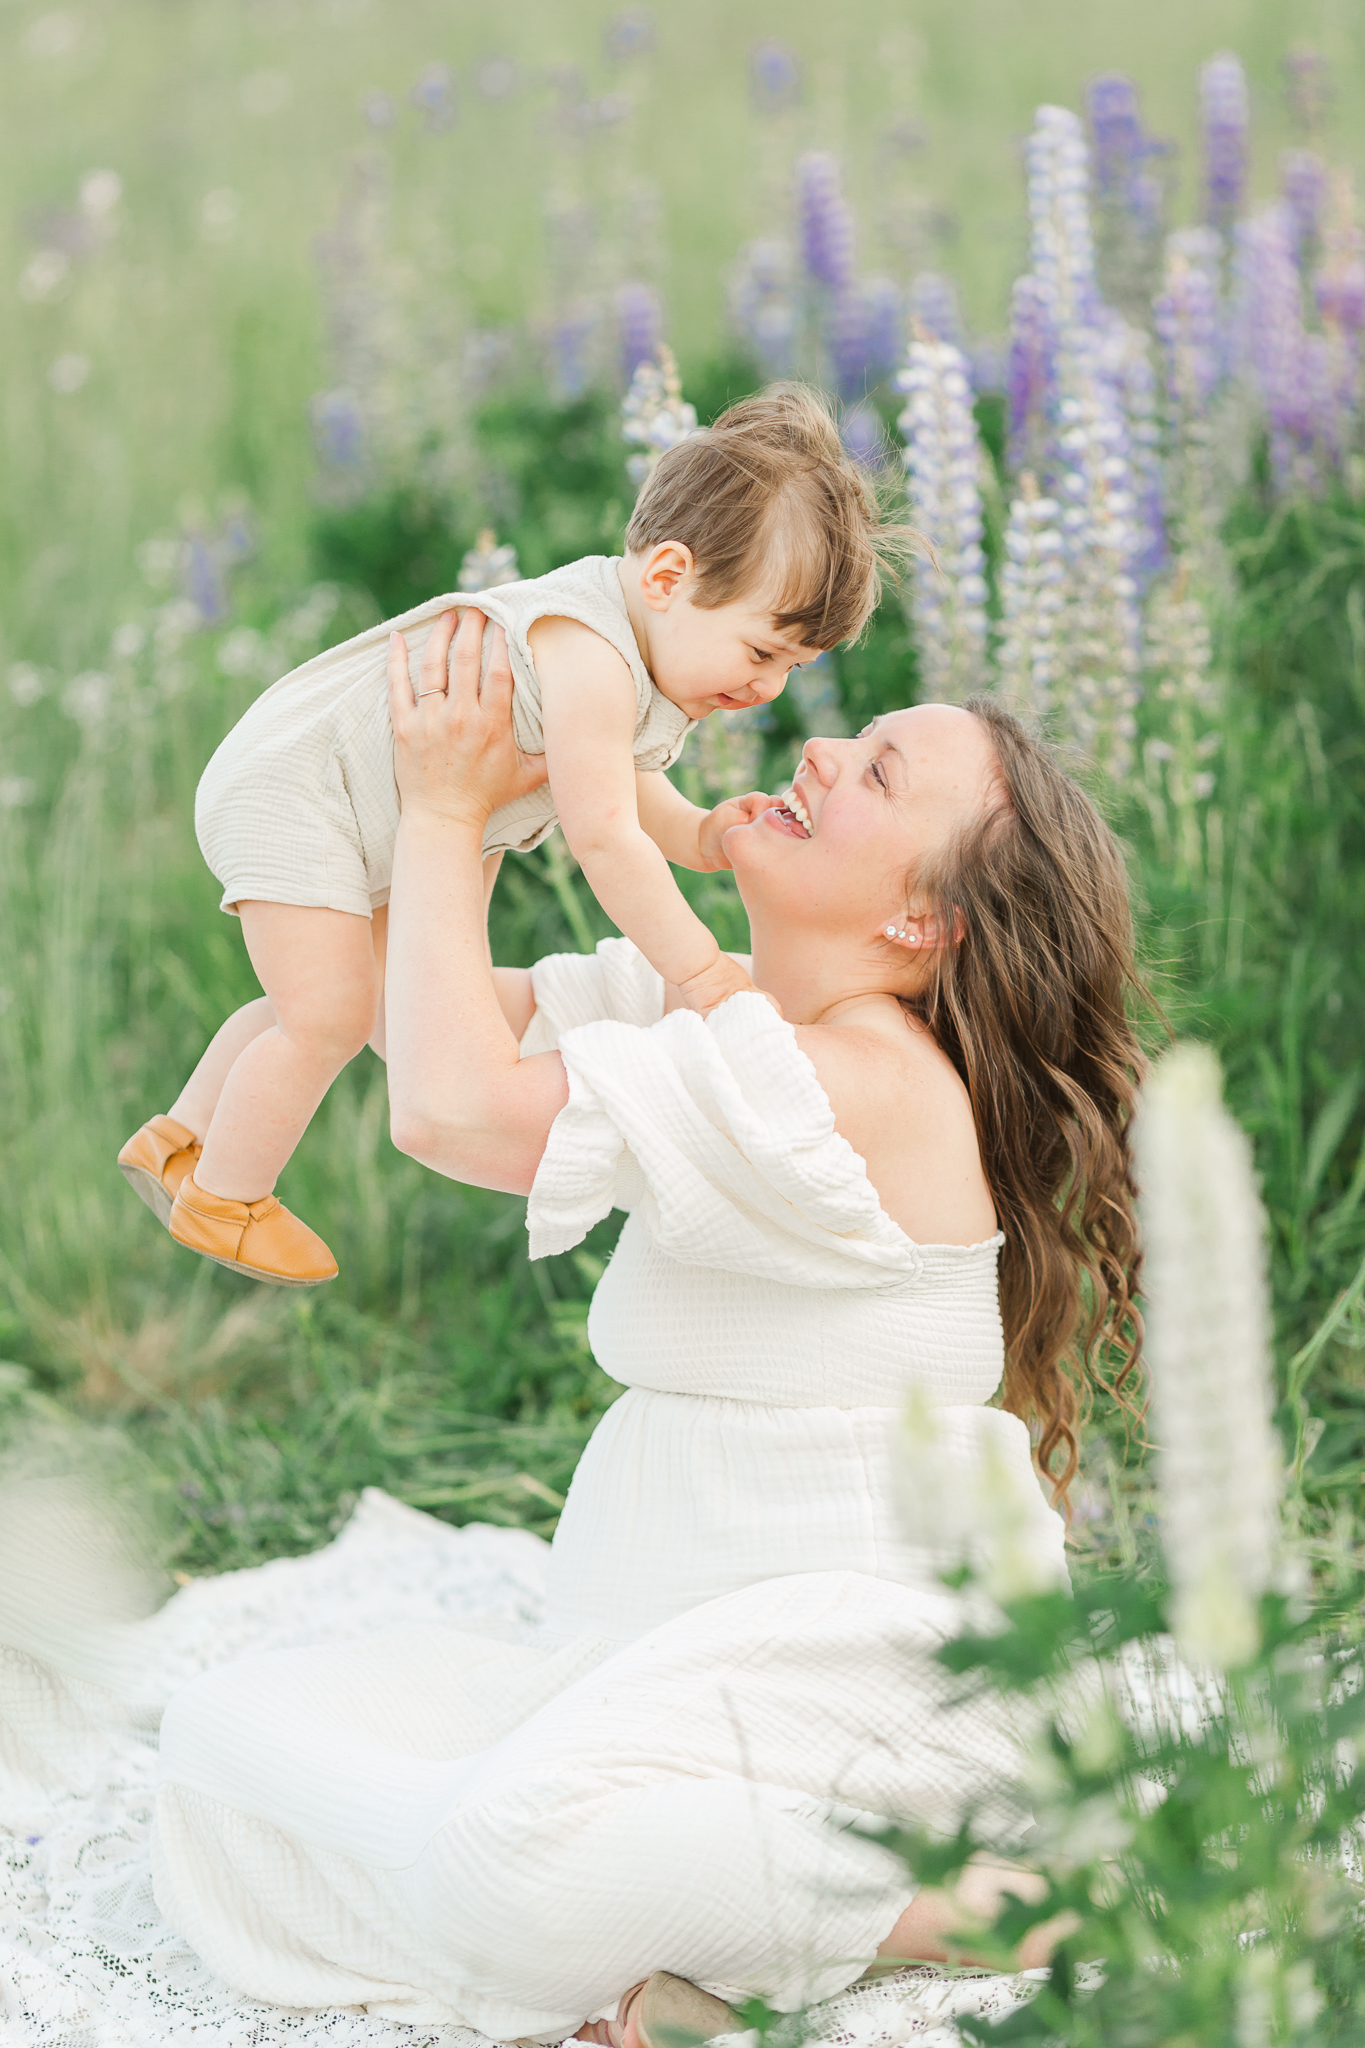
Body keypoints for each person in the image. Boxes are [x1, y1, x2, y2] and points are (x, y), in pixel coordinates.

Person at [147, 610, 1144, 2044]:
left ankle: (1002, 1897)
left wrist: (443, 814)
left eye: (874, 775)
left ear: (922, 920)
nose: (814, 748)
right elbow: (399, 1012)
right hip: (653, 1662)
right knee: (221, 1751)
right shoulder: (717, 1017)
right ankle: (713, 1937)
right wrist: (448, 802)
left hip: (865, 1698)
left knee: (502, 1868)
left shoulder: (851, 1078)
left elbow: (451, 1108)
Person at [117, 387, 910, 1288]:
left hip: (334, 802)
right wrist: (697, 968)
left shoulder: (627, 652)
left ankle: (178, 1142)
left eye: (793, 670)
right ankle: (228, 1198)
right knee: (328, 1013)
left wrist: (694, 833)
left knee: (341, 996)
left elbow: (619, 779)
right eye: (762, 653)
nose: (768, 689)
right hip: (302, 792)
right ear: (665, 578)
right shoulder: (588, 654)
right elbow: (603, 833)